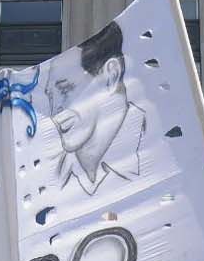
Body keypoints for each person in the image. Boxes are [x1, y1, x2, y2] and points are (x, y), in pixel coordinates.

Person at [45, 20, 147, 197]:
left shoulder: (167, 150)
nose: (55, 113)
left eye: (65, 89)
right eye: (50, 97)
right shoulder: (47, 174)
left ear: (111, 75)